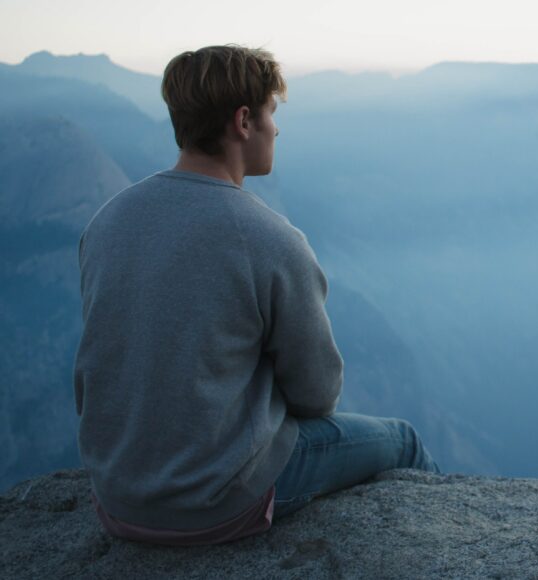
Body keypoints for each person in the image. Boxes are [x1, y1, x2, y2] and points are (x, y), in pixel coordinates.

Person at [73, 44, 441, 546]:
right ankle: (451, 541)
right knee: (405, 440)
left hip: (116, 502)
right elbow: (318, 394)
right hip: (218, 505)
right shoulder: (269, 239)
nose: (277, 128)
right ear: (243, 121)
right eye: (272, 111)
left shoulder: (105, 223)